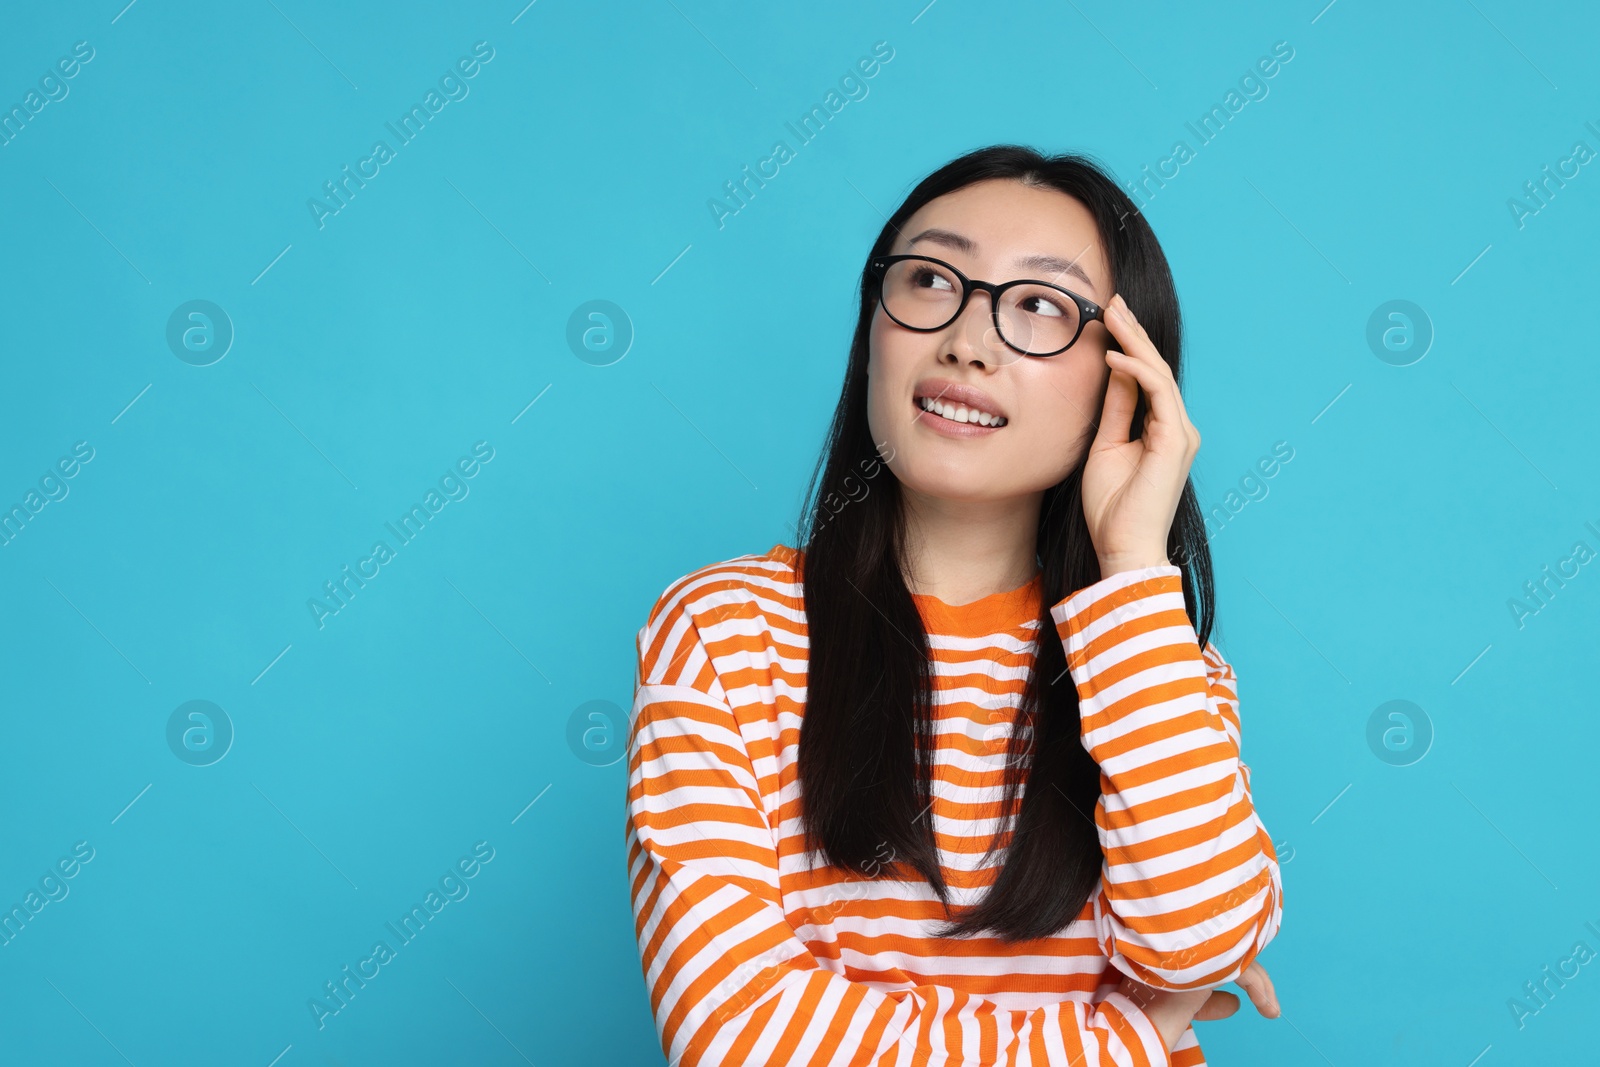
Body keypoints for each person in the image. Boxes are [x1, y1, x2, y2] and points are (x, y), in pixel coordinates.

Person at [624, 144, 1284, 1066]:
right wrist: (1119, 1040)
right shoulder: (725, 633)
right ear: (874, 328)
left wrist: (1134, 566)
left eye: (1041, 306)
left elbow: (1200, 938)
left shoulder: (1158, 661)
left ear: (1124, 381)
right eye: (932, 279)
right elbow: (739, 1035)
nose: (967, 341)